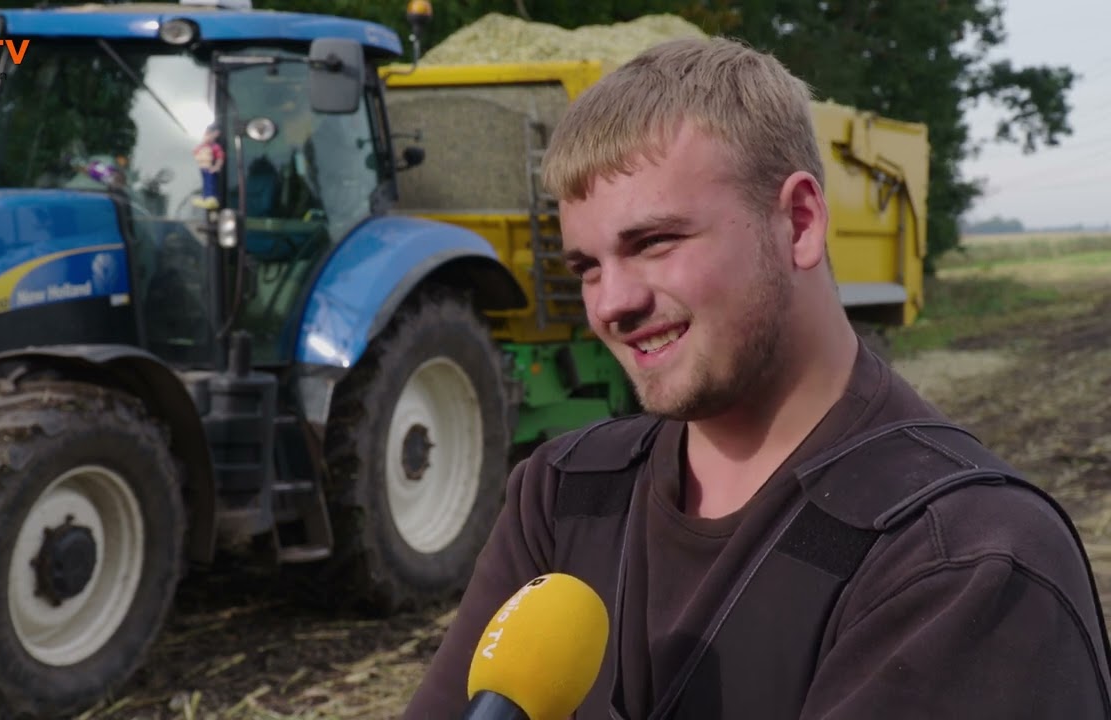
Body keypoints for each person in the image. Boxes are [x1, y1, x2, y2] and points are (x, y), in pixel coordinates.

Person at [403, 35, 1111, 719]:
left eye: (653, 243)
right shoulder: (563, 498)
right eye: (586, 267)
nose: (611, 303)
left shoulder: (962, 560)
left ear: (799, 222)